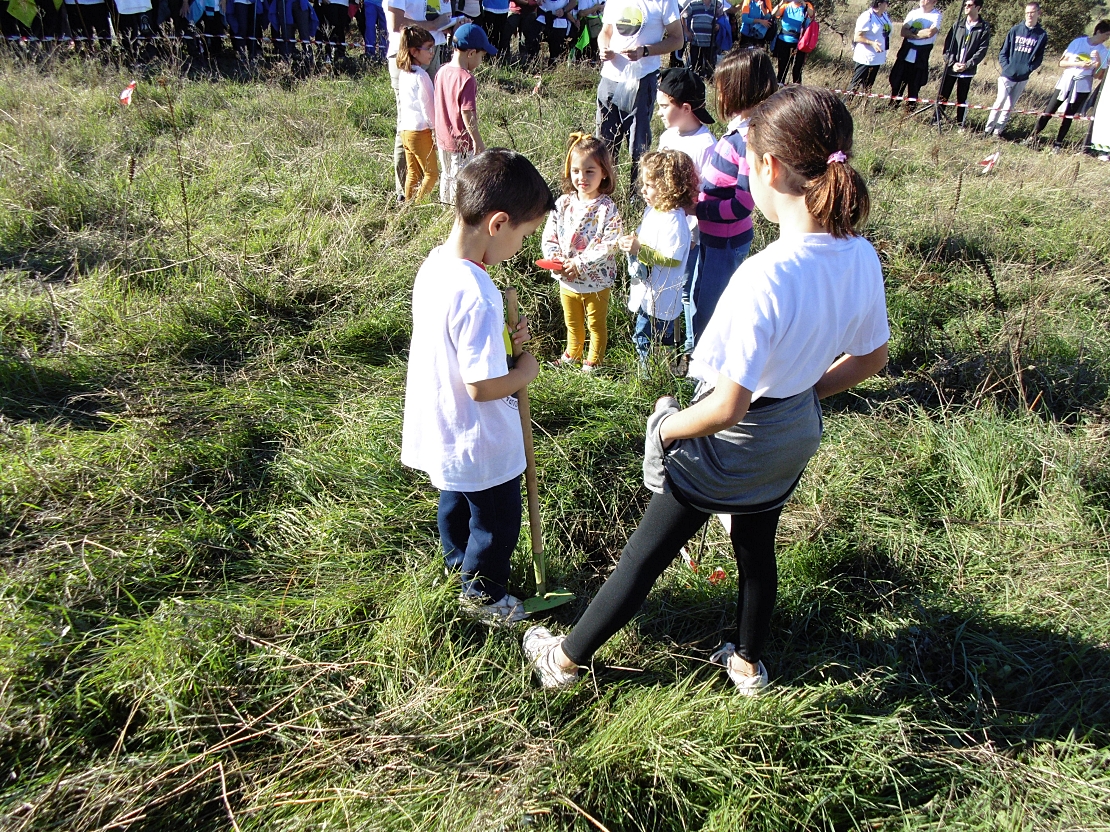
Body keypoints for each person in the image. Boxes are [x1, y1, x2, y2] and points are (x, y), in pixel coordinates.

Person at [523, 86, 890, 693]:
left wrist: (665, 427)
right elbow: (871, 357)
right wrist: (803, 394)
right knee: (755, 544)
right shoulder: (859, 255)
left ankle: (565, 660)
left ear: (768, 168)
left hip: (732, 442)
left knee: (647, 552)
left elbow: (727, 406)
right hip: (793, 435)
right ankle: (747, 664)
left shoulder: (765, 275)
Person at [401, 149, 554, 626]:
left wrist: (506, 342)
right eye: (524, 236)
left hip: (446, 433)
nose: (522, 248)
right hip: (480, 440)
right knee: (496, 522)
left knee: (457, 504)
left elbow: (456, 345)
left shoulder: (435, 267)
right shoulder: (479, 295)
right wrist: (524, 371)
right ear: (498, 223)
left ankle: (456, 565)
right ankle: (483, 596)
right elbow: (483, 387)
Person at [686, 47, 777, 353]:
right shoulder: (737, 131)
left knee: (713, 305)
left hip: (724, 242)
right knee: (699, 295)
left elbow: (741, 205)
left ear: (739, 89)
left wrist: (698, 208)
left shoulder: (749, 138)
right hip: (712, 236)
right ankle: (696, 350)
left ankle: (705, 362)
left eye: (722, 87)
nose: (718, 93)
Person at [542, 134, 624, 372]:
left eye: (590, 171)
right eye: (576, 171)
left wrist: (580, 263)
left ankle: (593, 362)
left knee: (596, 324)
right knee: (573, 322)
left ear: (604, 173)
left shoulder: (606, 208)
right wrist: (557, 260)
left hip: (595, 281)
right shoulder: (563, 202)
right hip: (566, 279)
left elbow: (609, 243)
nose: (582, 178)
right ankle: (573, 353)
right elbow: (550, 235)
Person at [656, 66, 715, 359]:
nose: (660, 112)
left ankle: (691, 349)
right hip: (663, 228)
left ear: (686, 107)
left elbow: (704, 193)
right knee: (664, 282)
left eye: (665, 106)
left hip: (690, 233)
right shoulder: (667, 137)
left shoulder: (706, 145)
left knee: (686, 290)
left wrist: (694, 231)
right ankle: (665, 340)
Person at [620, 150, 699, 366]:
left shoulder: (674, 220)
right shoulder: (652, 211)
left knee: (651, 339)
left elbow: (672, 258)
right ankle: (658, 373)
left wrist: (640, 250)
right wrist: (633, 242)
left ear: (668, 187)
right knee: (647, 337)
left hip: (662, 295)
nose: (643, 190)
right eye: (643, 184)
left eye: (650, 185)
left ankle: (653, 376)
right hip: (648, 291)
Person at [595, 0, 684, 190]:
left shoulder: (664, 2)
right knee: (604, 143)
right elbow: (606, 32)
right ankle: (604, 194)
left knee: (638, 145)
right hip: (609, 79)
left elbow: (677, 39)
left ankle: (637, 195)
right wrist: (603, 48)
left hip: (642, 80)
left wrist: (645, 51)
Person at [386, 0, 453, 199]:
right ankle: (405, 195)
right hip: (410, 52)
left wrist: (451, 25)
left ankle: (412, 197)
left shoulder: (427, 59)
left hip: (431, 49)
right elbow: (396, 22)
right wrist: (432, 26)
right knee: (405, 123)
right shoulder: (417, 73)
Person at [1026, 20, 1110, 152]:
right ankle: (1032, 137)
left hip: (1082, 87)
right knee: (1049, 110)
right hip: (1066, 82)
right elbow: (1062, 63)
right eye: (1106, 35)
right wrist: (1080, 65)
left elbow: (1098, 76)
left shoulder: (1104, 52)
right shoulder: (1078, 42)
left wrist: (1098, 61)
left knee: (1069, 115)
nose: (1106, 38)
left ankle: (1058, 144)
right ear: (1098, 31)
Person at [435, 23, 496, 204]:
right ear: (471, 53)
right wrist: (477, 141)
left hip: (441, 138)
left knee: (446, 174)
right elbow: (467, 112)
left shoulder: (442, 71)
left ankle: (444, 205)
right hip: (460, 142)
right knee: (460, 177)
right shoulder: (467, 78)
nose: (480, 61)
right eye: (481, 56)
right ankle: (456, 212)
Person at [983, 2, 1047, 136]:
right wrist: (1007, 67)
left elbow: (1039, 57)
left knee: (1010, 106)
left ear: (1038, 13)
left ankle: (998, 132)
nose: (1029, 15)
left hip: (1023, 77)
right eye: (1027, 12)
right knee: (1000, 102)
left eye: (1032, 12)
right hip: (1007, 74)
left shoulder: (1041, 35)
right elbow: (1003, 52)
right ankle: (987, 130)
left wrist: (1029, 69)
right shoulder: (1015, 30)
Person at [396, 26, 439, 201]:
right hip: (420, 131)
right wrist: (436, 130)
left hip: (405, 131)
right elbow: (428, 107)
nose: (432, 52)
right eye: (428, 48)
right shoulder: (421, 76)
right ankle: (418, 207)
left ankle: (407, 206)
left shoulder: (404, 73)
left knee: (413, 173)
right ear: (414, 51)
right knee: (431, 174)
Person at [936, 0, 992, 128]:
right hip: (951, 68)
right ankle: (937, 119)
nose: (966, 7)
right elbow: (947, 48)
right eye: (965, 5)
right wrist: (952, 63)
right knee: (943, 94)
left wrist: (967, 65)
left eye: (969, 5)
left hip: (967, 71)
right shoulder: (958, 25)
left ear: (977, 7)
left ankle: (960, 123)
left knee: (962, 98)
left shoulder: (983, 28)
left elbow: (981, 51)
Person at [888, 0, 942, 106]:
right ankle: (892, 106)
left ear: (934, 1)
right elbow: (903, 32)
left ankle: (909, 111)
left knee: (914, 86)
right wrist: (919, 34)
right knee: (897, 83)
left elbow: (930, 33)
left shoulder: (936, 16)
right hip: (905, 55)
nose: (923, 0)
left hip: (920, 57)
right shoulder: (913, 13)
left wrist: (911, 32)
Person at [849, 0, 891, 93]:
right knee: (855, 85)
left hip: (877, 58)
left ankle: (863, 106)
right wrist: (872, 43)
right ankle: (846, 104)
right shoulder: (867, 16)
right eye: (886, 2)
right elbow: (857, 37)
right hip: (865, 58)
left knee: (868, 87)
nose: (888, 4)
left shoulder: (884, 15)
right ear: (879, 4)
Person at [771, 0, 813, 85]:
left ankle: (797, 91)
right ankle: (779, 88)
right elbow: (775, 14)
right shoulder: (786, 5)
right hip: (784, 40)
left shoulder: (807, 5)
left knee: (797, 69)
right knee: (782, 68)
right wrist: (782, 2)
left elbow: (811, 15)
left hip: (799, 43)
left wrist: (803, 4)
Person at [682, 0, 720, 79]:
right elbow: (682, 16)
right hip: (696, 42)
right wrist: (686, 32)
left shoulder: (716, 5)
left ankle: (708, 84)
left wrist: (718, 26)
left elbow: (722, 18)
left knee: (710, 68)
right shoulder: (694, 4)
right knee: (694, 67)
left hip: (710, 43)